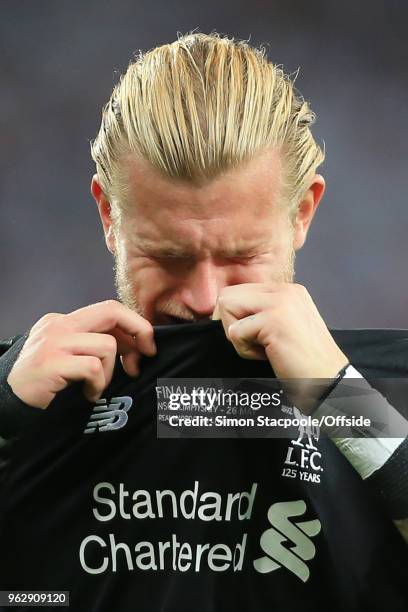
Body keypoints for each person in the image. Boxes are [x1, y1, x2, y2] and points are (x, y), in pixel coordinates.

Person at [0, 32, 407, 611]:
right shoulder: (23, 404)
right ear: (109, 214)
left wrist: (342, 398)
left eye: (241, 256)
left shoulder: (390, 399)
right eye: (167, 257)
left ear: (303, 212)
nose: (203, 298)